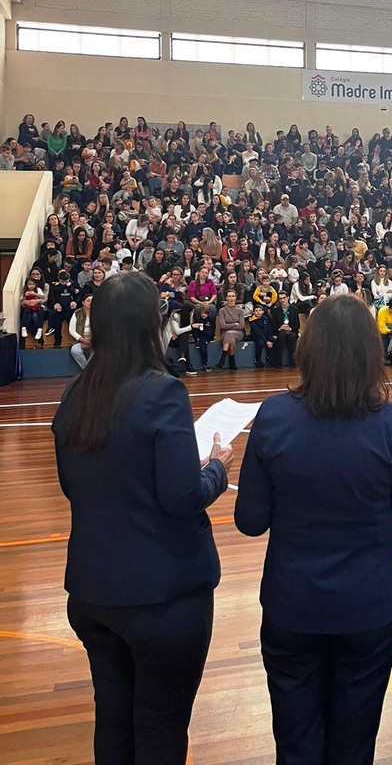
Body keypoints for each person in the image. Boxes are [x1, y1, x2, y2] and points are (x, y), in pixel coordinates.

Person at [234, 295, 392, 765]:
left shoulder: (274, 415)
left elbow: (250, 521)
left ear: (308, 349)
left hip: (293, 603)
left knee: (296, 742)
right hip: (369, 604)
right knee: (354, 745)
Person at [51, 272, 233, 764]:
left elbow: (73, 486)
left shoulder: (74, 394)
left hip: (91, 589)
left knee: (113, 720)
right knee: (160, 730)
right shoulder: (162, 392)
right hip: (160, 596)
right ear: (151, 325)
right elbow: (182, 497)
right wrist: (216, 469)